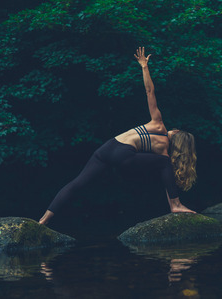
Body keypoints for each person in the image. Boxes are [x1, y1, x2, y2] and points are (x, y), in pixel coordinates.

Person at [39, 47, 197, 225]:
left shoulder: (159, 125)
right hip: (124, 156)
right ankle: (175, 205)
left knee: (76, 184)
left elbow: (150, 92)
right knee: (164, 164)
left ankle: (42, 221)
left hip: (108, 148)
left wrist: (144, 66)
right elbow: (166, 179)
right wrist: (173, 202)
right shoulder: (164, 153)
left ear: (176, 133)